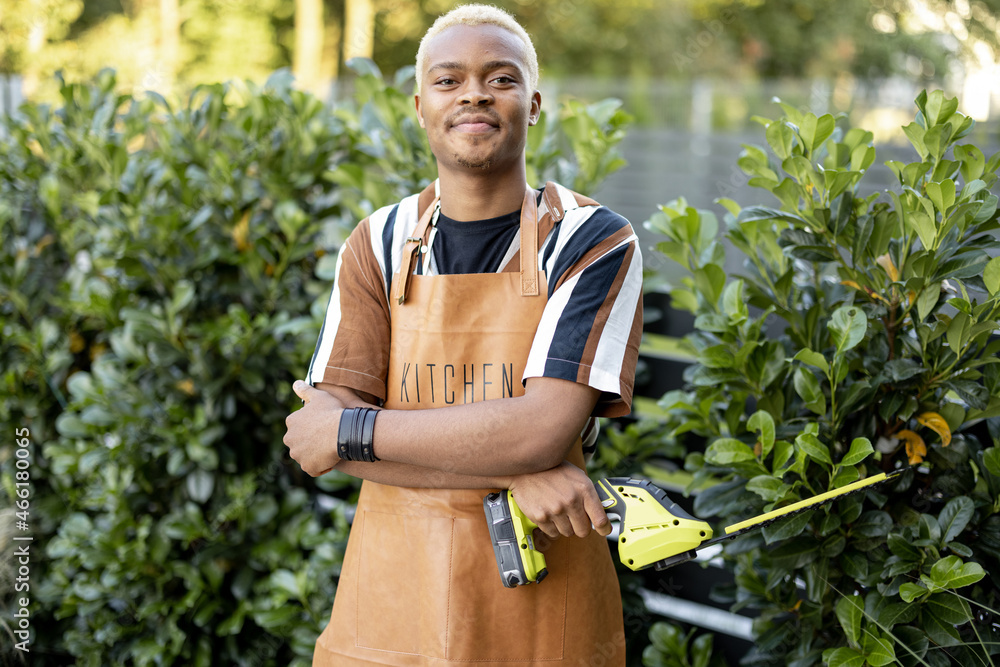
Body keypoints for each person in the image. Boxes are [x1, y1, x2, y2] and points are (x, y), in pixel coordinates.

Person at [283, 4, 642, 665]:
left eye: (500, 78)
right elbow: (316, 441)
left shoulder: (591, 238)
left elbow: (542, 429)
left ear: (534, 104)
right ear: (420, 106)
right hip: (391, 611)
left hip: (542, 608)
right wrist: (519, 471)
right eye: (449, 80)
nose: (474, 92)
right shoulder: (378, 241)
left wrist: (353, 430)